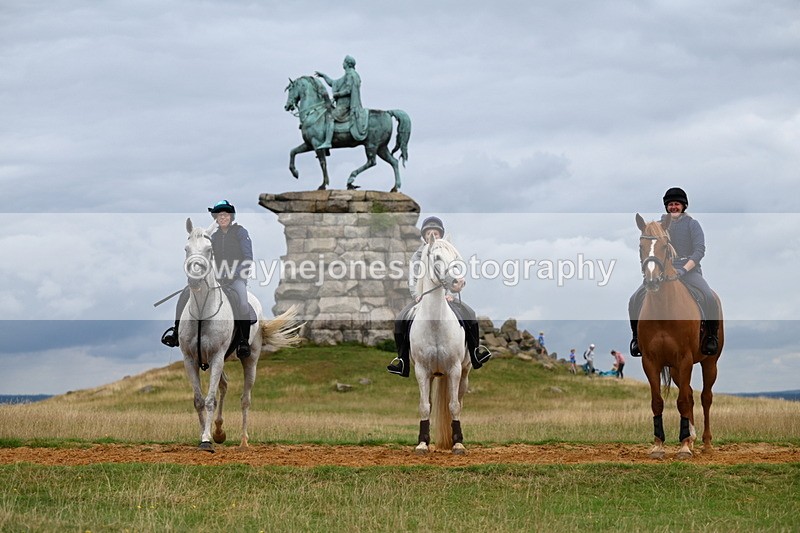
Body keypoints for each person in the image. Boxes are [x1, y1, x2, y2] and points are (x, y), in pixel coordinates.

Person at [387, 216, 492, 377]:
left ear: (441, 235)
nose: (433, 235)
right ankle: (402, 361)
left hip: (446, 297)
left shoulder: (448, 252)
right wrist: (417, 294)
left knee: (470, 314)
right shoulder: (418, 255)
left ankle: (475, 352)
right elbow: (413, 278)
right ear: (425, 236)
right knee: (401, 319)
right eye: (429, 233)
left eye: (436, 233)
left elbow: (454, 273)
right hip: (423, 298)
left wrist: (450, 293)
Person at [628, 187, 720, 357]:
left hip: (690, 270)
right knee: (634, 299)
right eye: (670, 204)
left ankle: (711, 337)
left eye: (677, 204)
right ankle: (636, 338)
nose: (673, 207)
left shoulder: (692, 224)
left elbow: (699, 251)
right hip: (662, 272)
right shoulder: (658, 226)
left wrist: (683, 270)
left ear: (683, 206)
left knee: (709, 297)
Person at [161, 200, 255, 359]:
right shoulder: (214, 237)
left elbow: (248, 258)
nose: (223, 217)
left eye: (225, 214)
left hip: (236, 279)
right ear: (216, 218)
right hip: (217, 279)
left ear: (230, 216)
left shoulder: (240, 232)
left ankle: (243, 342)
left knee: (243, 303)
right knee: (185, 294)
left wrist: (235, 273)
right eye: (219, 215)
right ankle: (176, 332)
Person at [315, 55, 369, 148]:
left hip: (345, 106)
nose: (342, 64)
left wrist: (337, 94)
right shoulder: (348, 74)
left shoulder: (350, 75)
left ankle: (328, 142)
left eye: (344, 62)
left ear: (347, 64)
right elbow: (333, 83)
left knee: (330, 117)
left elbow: (348, 90)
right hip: (342, 105)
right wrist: (324, 76)